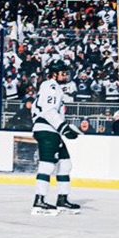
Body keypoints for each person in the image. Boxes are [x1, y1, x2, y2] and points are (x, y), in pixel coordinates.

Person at [31, 61, 80, 215]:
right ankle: (39, 201)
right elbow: (49, 111)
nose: (65, 76)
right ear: (54, 74)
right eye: (63, 73)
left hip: (53, 130)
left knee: (65, 164)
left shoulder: (55, 88)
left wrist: (63, 128)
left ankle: (62, 200)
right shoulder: (50, 86)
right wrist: (64, 129)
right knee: (47, 166)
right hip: (46, 129)